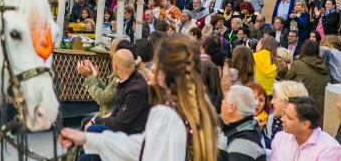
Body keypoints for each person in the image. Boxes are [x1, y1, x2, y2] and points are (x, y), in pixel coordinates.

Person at [59, 35, 219, 161]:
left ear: (166, 73)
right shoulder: (190, 106)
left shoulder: (167, 113)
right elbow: (143, 145)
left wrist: (92, 138)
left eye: (156, 66)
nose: (150, 70)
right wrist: (88, 138)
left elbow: (141, 150)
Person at [90, 49, 150, 135]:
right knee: (87, 122)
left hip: (131, 133)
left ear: (115, 66)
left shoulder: (136, 89)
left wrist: (97, 120)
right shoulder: (126, 80)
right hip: (122, 124)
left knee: (93, 129)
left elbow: (121, 122)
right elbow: (117, 110)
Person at [270, 96, 341, 160]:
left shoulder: (329, 149)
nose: (282, 119)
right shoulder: (280, 138)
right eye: (284, 114)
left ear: (305, 124)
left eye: (289, 118)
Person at [218, 85, 267, 161]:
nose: (222, 102)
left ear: (231, 108)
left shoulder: (245, 140)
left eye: (224, 99)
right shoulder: (228, 124)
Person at [284, 40, 330, 114]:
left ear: (303, 50)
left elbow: (285, 84)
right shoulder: (325, 67)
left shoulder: (297, 65)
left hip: (301, 109)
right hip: (320, 111)